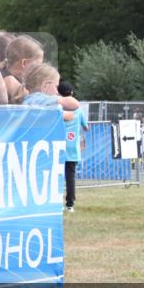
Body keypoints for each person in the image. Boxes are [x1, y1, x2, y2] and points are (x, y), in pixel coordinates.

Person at [57, 81, 89, 212]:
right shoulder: (79, 110)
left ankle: (56, 203)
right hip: (72, 149)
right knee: (70, 177)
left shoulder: (57, 109)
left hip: (58, 147)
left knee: (57, 177)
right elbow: (86, 127)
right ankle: (70, 204)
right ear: (71, 92)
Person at [3, 35, 45, 103]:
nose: (39, 69)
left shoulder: (1, 73)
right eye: (37, 64)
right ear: (24, 63)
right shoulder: (10, 81)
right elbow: (37, 102)